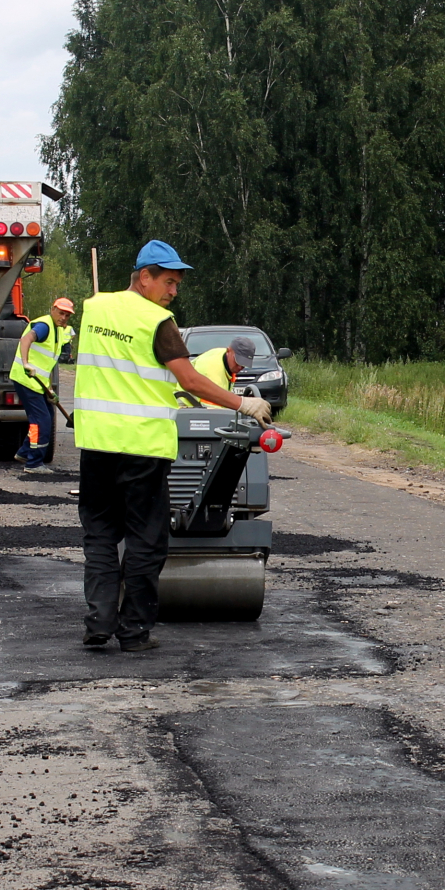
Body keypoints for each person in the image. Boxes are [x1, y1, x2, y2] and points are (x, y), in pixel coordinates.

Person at [75, 241, 274, 653]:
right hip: (143, 449)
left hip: (96, 444)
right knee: (147, 540)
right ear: (144, 277)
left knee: (99, 536)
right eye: (168, 282)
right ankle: (132, 632)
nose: (174, 291)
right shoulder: (158, 321)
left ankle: (98, 622)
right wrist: (243, 402)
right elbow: (189, 380)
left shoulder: (94, 308)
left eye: (177, 284)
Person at [10, 296, 76, 469]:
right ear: (52, 310)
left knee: (46, 416)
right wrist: (25, 363)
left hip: (37, 383)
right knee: (42, 421)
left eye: (67, 315)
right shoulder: (44, 326)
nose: (63, 317)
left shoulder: (58, 330)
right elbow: (25, 340)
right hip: (26, 380)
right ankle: (33, 463)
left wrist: (49, 390)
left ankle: (24, 453)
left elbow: (45, 365)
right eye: (61, 313)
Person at [187, 335, 257, 395]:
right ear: (228, 351)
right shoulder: (213, 374)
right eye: (237, 361)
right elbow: (214, 408)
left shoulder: (224, 358)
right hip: (185, 406)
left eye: (243, 364)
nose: (240, 367)